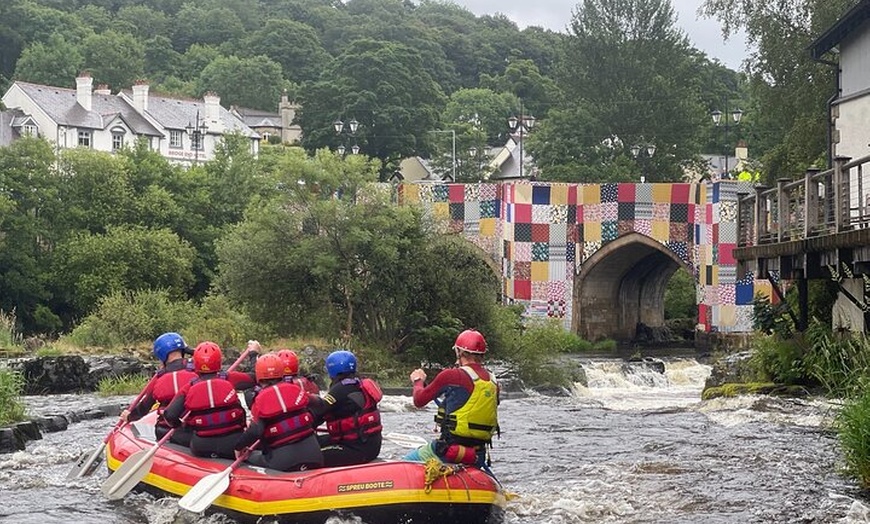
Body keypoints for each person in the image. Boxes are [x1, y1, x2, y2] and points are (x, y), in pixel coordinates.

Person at [405, 329, 499, 467]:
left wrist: (418, 381)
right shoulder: (493, 383)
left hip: (449, 452)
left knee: (406, 462)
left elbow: (419, 401)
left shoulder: (452, 375)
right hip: (477, 456)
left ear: (459, 352)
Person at [234, 353, 323, 471]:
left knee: (249, 456)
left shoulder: (260, 399)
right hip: (314, 456)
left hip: (283, 462)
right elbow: (320, 404)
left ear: (259, 376)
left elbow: (256, 430)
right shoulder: (296, 390)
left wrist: (238, 447)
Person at [163, 341, 250, 459]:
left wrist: (182, 426)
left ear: (196, 364)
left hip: (201, 446)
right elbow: (255, 378)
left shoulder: (189, 387)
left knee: (179, 434)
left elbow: (170, 415)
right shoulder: (230, 378)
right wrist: (254, 354)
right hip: (233, 444)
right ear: (219, 362)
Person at [308, 349, 383, 467]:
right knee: (317, 442)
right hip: (370, 445)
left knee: (309, 457)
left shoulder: (340, 390)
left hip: (356, 449)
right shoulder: (359, 385)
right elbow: (328, 411)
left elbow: (321, 410)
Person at [121, 332, 198, 445]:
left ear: (161, 355)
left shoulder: (159, 377)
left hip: (167, 430)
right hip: (196, 428)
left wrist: (130, 416)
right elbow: (210, 357)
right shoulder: (198, 368)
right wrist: (189, 350)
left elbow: (144, 407)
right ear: (183, 351)